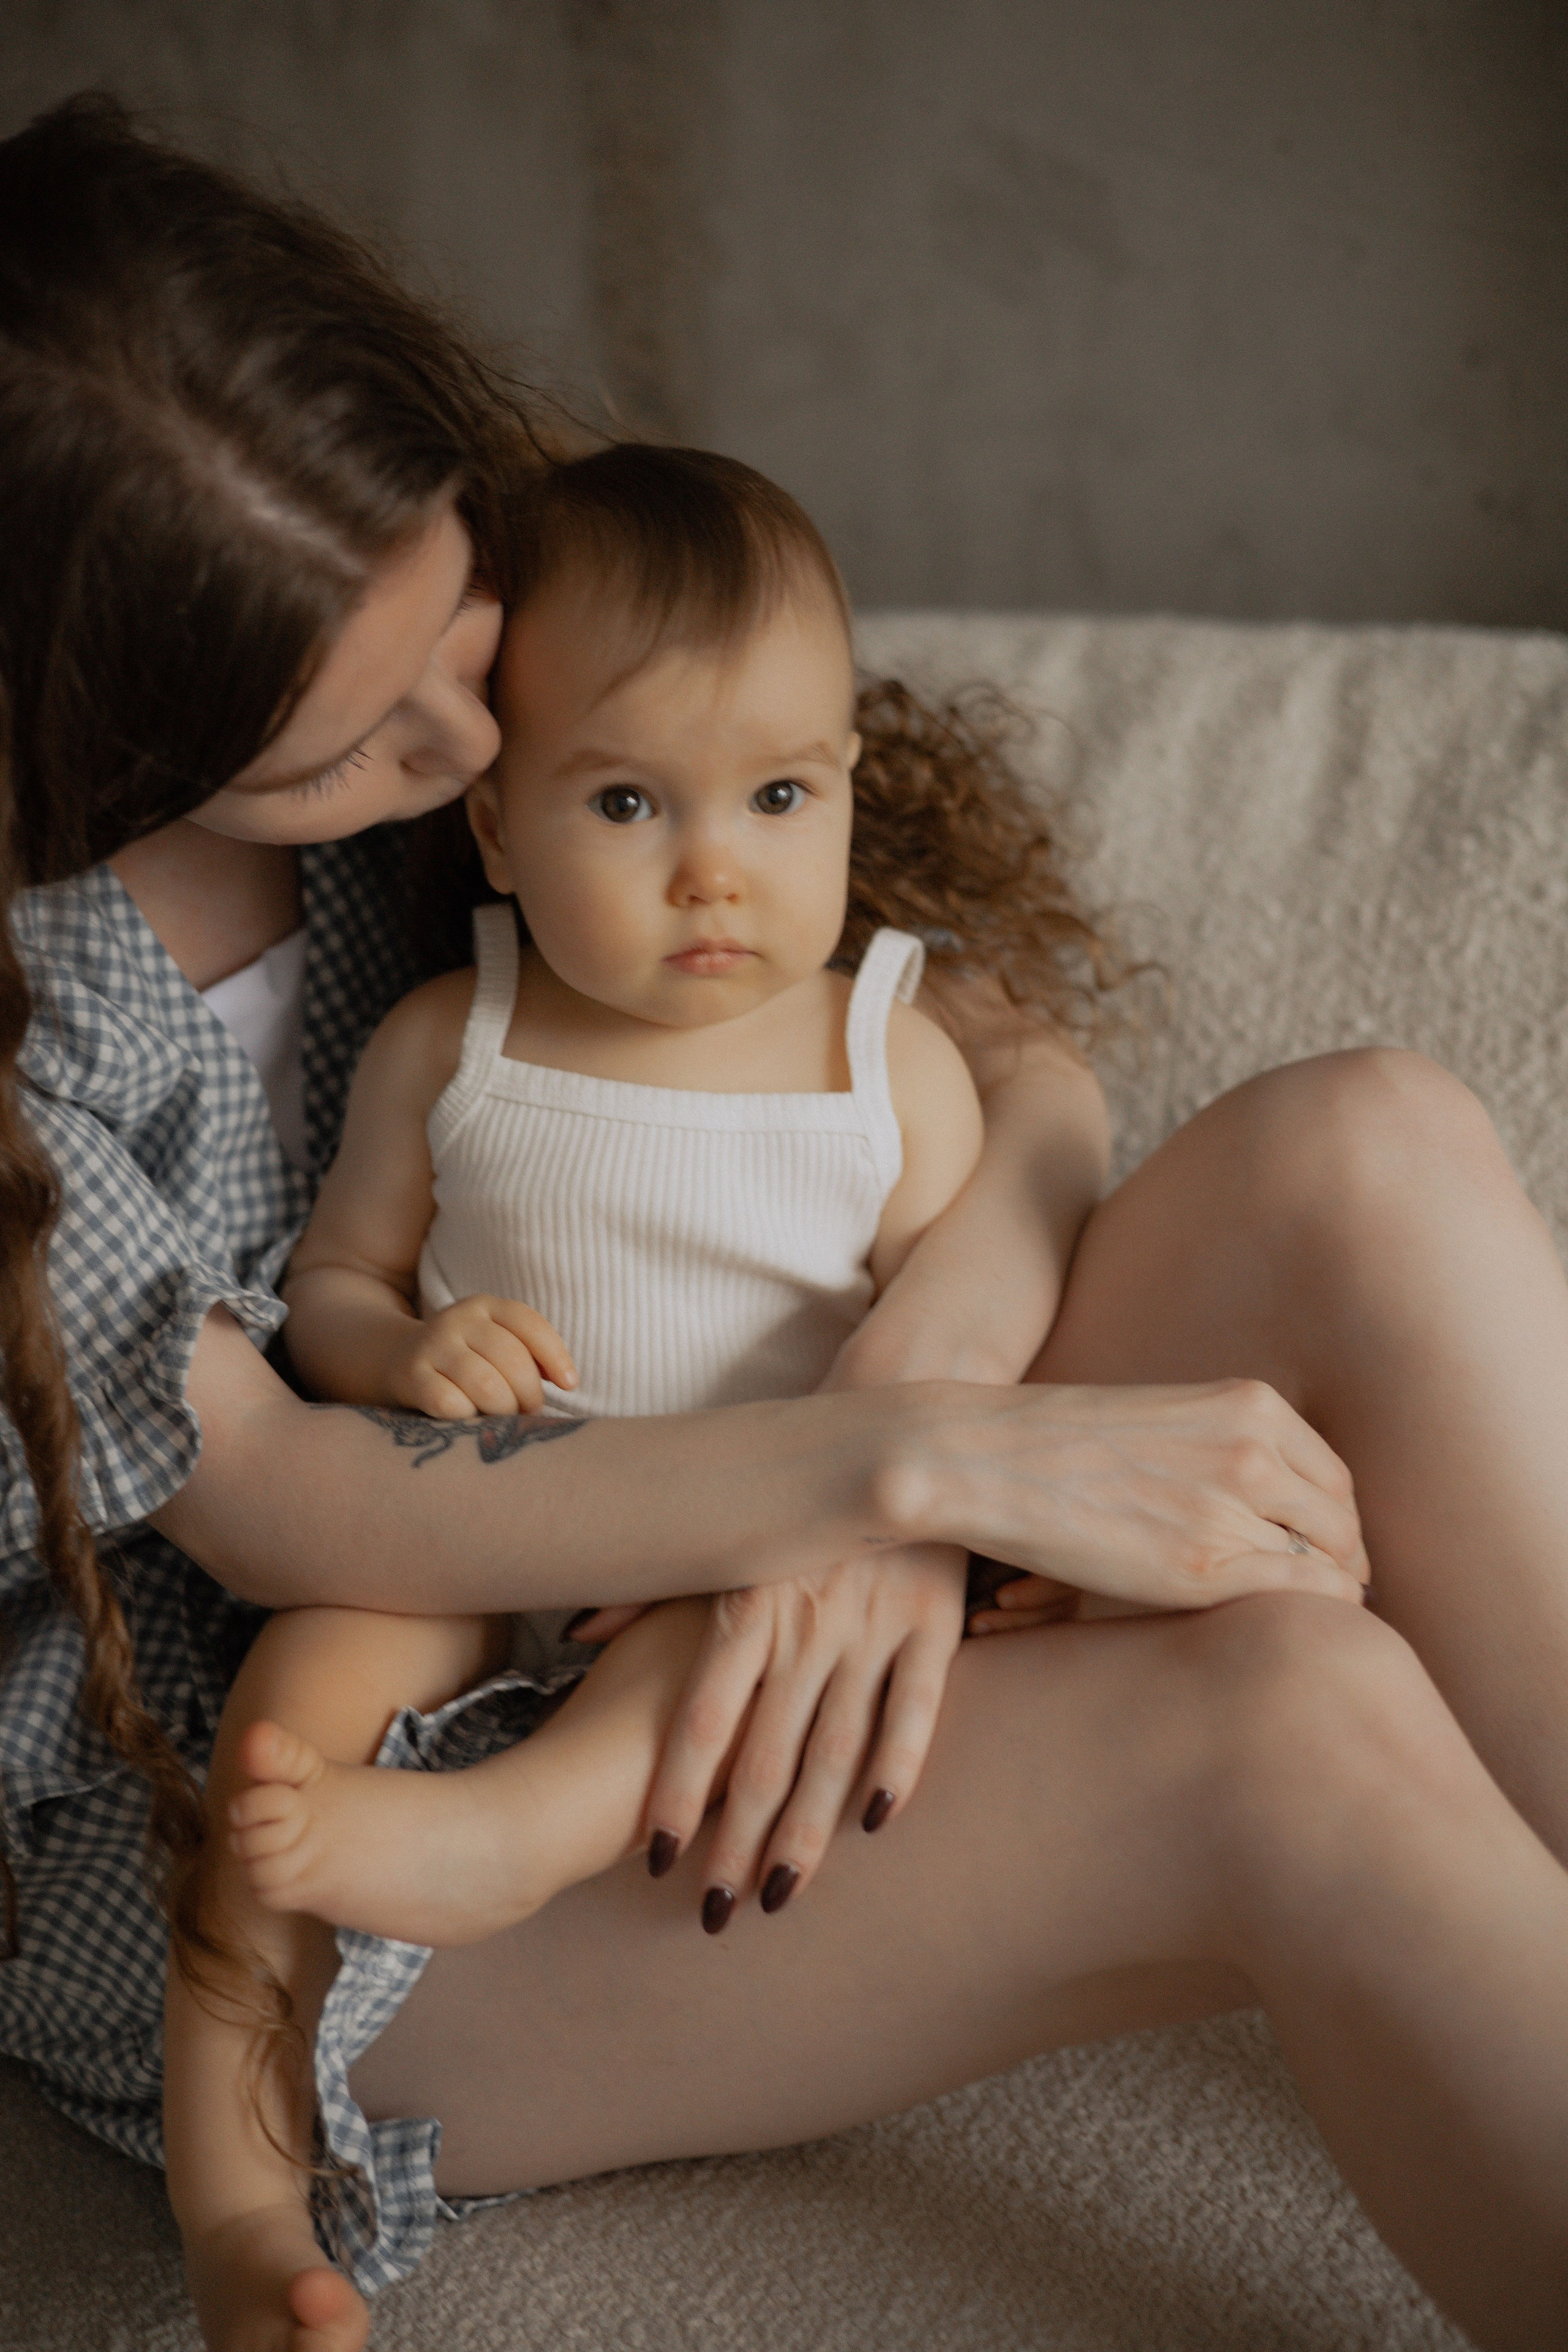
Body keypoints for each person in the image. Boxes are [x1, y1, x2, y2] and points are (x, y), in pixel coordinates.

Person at [4, 93, 1568, 2352]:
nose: (470, 737)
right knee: (1289, 1714)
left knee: (1372, 1150)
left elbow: (1003, 1061)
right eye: (352, 748)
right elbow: (281, 1495)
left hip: (762, 1444)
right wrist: (908, 1472)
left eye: (467, 629)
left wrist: (921, 1401)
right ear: (90, 756)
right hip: (332, 1782)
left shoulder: (515, 664)